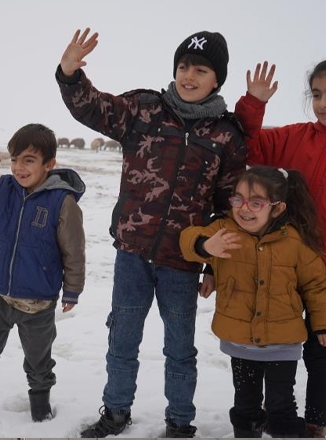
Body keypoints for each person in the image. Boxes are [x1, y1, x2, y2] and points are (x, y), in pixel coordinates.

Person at [56, 28, 248, 437]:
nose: (188, 75)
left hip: (183, 261)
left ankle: (180, 423)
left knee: (180, 349)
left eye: (200, 69)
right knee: (122, 342)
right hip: (132, 253)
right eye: (182, 66)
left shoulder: (226, 136)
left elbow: (226, 207)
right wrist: (70, 73)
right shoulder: (144, 109)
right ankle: (116, 412)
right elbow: (93, 108)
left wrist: (212, 265)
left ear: (217, 79)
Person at [234, 58, 326, 438]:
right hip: (280, 272)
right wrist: (254, 104)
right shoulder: (298, 137)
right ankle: (273, 416)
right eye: (316, 94)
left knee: (320, 355)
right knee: (275, 354)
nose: (322, 102)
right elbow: (250, 144)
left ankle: (315, 425)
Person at [180, 166, 326, 438]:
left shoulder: (294, 241)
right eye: (238, 199)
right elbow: (188, 238)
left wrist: (324, 324)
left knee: (281, 407)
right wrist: (206, 248)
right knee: (245, 404)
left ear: (277, 209)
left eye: (256, 202)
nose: (244, 208)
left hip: (283, 342)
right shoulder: (223, 230)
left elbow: (316, 285)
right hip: (240, 341)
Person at [0, 123, 86, 422]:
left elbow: (73, 251)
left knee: (38, 361)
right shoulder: (5, 188)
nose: (18, 168)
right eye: (14, 159)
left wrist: (72, 290)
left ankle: (40, 412)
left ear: (49, 164)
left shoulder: (62, 201)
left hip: (38, 302)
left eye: (28, 160)